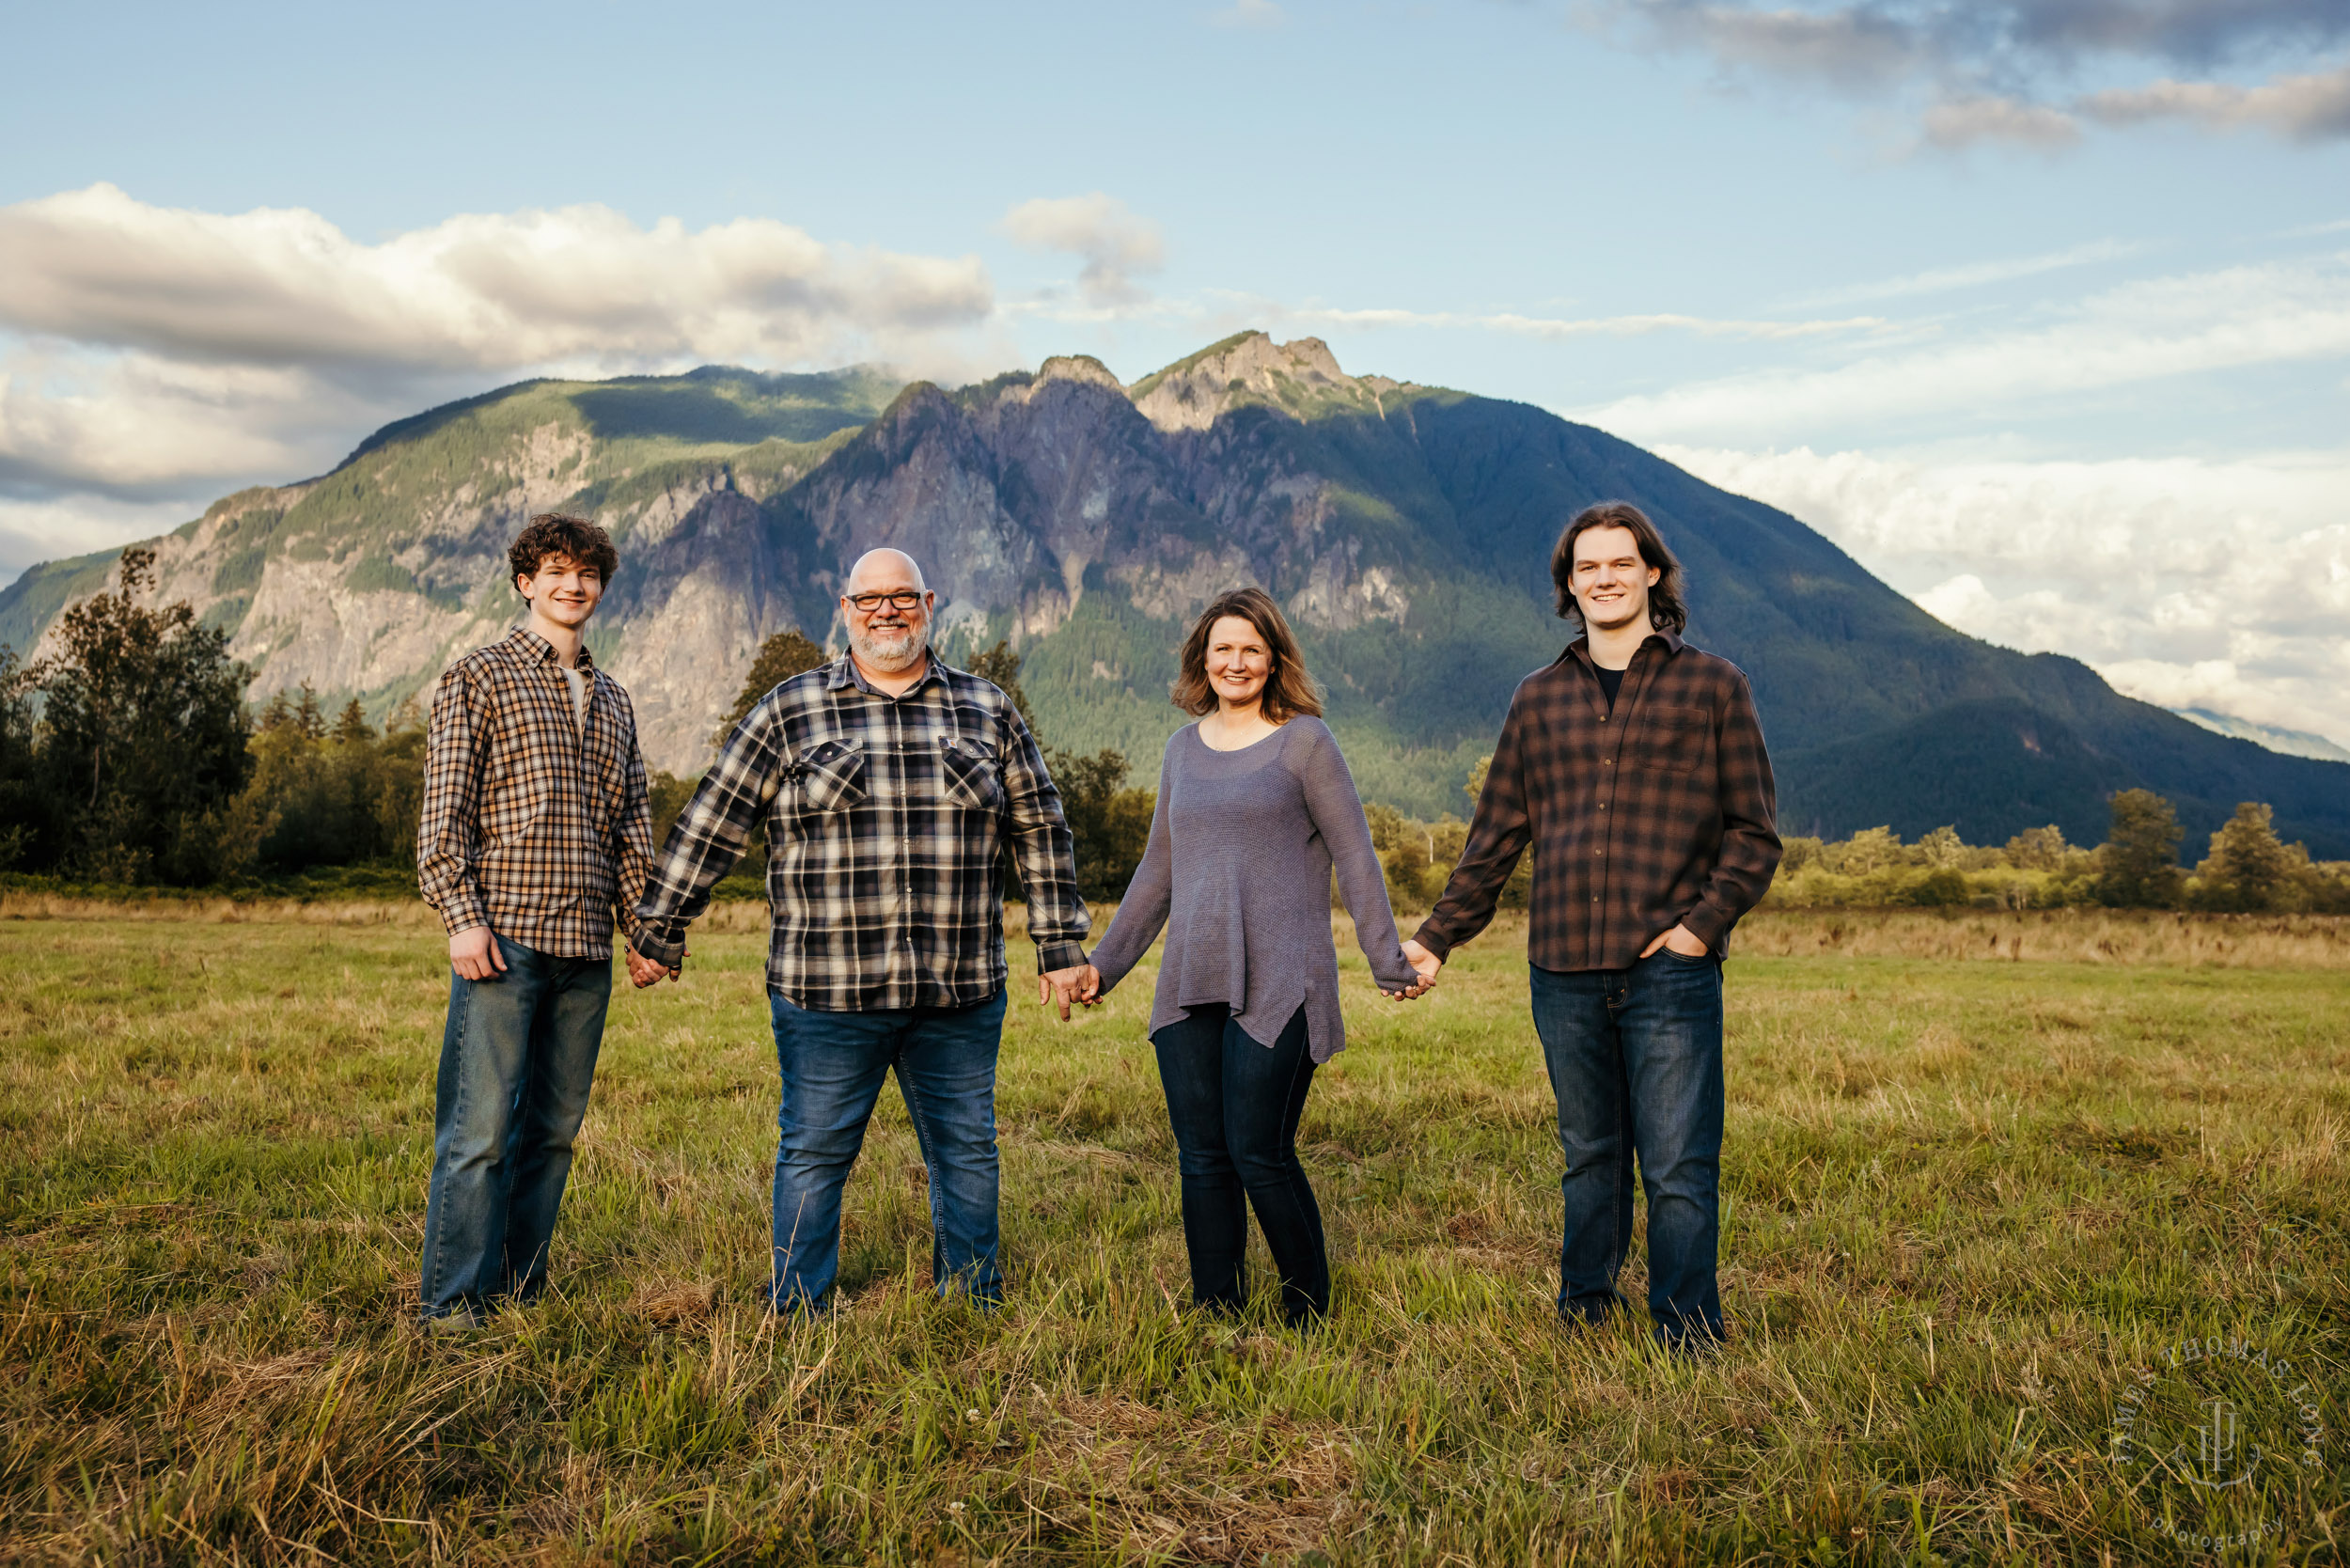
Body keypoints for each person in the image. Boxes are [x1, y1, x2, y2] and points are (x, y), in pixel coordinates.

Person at [631, 548, 1093, 1312]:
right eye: (869, 599)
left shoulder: (987, 708)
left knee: (969, 1154)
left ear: (930, 603)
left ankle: (972, 1300)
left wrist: (1059, 945)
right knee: (814, 1155)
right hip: (828, 992)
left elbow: (1040, 829)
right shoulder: (790, 709)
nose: (887, 611)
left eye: (902, 597)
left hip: (959, 988)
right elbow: (715, 821)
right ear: (845, 608)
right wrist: (661, 926)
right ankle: (799, 1306)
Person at [1401, 502, 1780, 1351]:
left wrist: (1696, 931)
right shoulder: (1537, 700)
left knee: (1679, 1165)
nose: (1604, 578)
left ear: (1652, 572)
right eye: (1586, 568)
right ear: (1569, 587)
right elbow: (1496, 838)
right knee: (1590, 1156)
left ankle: (1687, 1332)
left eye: (1620, 563)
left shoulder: (1713, 685)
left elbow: (1754, 835)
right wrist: (1434, 939)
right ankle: (1585, 1314)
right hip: (1563, 966)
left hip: (1669, 971)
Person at [1072, 588, 1427, 1327]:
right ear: (1203, 656)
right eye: (1223, 648)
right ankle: (1216, 1312)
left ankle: (1306, 1311)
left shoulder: (1305, 744)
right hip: (1190, 977)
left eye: (1251, 649)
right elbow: (1156, 874)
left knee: (1258, 1150)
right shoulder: (1180, 750)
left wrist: (1386, 960)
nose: (1236, 662)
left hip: (1282, 977)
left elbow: (1356, 857)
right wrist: (1102, 965)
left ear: (1274, 660)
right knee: (1202, 1155)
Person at [415, 512, 665, 1327]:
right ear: (526, 582)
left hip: (586, 949)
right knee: (481, 1134)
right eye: (557, 570)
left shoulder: (616, 700)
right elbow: (443, 815)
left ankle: (517, 1292)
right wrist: (462, 918)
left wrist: (646, 932)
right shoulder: (479, 677)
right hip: (505, 939)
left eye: (588, 574)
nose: (574, 585)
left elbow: (631, 826)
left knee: (553, 1135)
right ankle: (454, 1307)